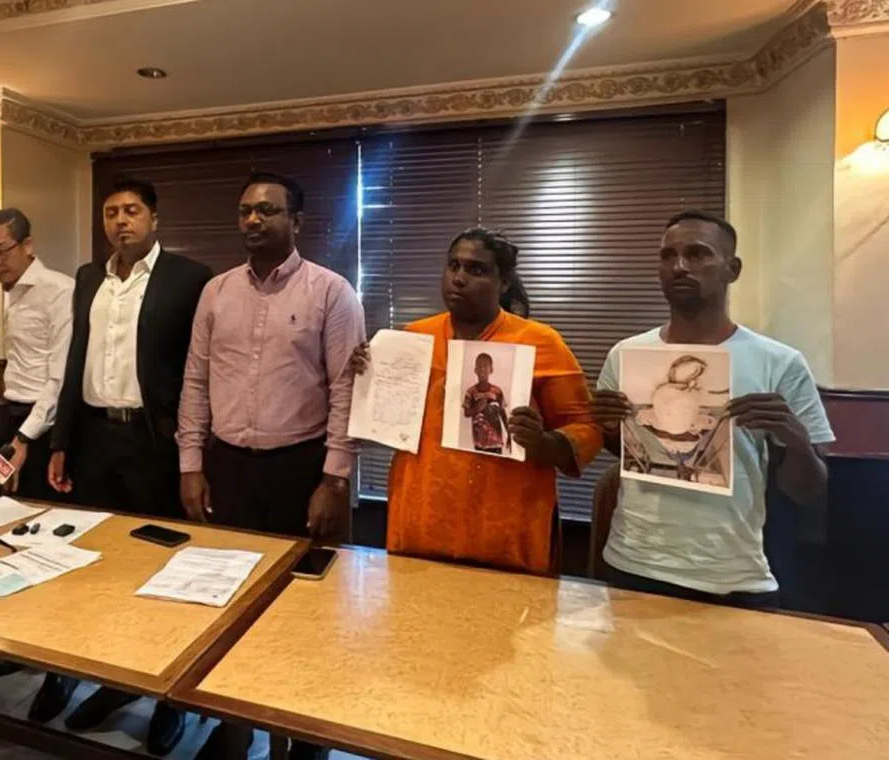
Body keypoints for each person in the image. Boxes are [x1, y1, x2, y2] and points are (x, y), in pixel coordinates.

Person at [177, 171, 366, 760]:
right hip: (229, 467)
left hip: (301, 469)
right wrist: (191, 461)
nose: (253, 221)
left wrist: (333, 479)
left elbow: (346, 391)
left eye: (267, 211)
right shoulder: (217, 291)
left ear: (297, 222)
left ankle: (305, 737)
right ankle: (234, 730)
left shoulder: (333, 292)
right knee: (230, 606)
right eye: (244, 212)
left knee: (305, 615)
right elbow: (196, 379)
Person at [591, 210, 834, 608]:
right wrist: (608, 427)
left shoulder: (779, 362)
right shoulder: (626, 355)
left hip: (729, 573)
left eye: (697, 254)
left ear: (732, 269)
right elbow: (625, 453)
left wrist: (795, 439)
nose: (679, 266)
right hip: (630, 562)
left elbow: (808, 491)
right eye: (667, 256)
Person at [48, 177, 211, 753]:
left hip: (153, 443)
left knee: (159, 570)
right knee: (94, 567)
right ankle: (103, 676)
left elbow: (203, 363)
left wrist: (194, 452)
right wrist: (61, 440)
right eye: (112, 212)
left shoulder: (189, 278)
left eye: (133, 211)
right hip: (94, 438)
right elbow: (75, 359)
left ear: (154, 219)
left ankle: (170, 696)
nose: (121, 221)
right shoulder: (89, 277)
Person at [351, 228, 601, 575]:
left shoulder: (541, 342)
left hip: (505, 535)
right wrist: (365, 377)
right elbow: (384, 421)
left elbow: (587, 428)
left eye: (476, 269)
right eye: (453, 266)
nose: (459, 278)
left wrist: (543, 442)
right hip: (420, 526)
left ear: (504, 282)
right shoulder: (413, 338)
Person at [0, 208, 79, 723]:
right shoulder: (10, 292)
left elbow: (58, 378)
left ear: (27, 245)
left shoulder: (59, 290)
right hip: (15, 418)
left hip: (42, 427)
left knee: (50, 544)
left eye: (2, 251)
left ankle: (61, 669)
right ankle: (21, 646)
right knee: (12, 537)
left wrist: (25, 437)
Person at [464, 352, 510, 454]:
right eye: (480, 366)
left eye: (485, 366)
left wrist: (509, 434)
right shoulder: (470, 392)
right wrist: (477, 409)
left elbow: (503, 413)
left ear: (491, 369)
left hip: (496, 441)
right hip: (479, 442)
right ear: (475, 370)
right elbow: (466, 413)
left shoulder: (497, 391)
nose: (483, 369)